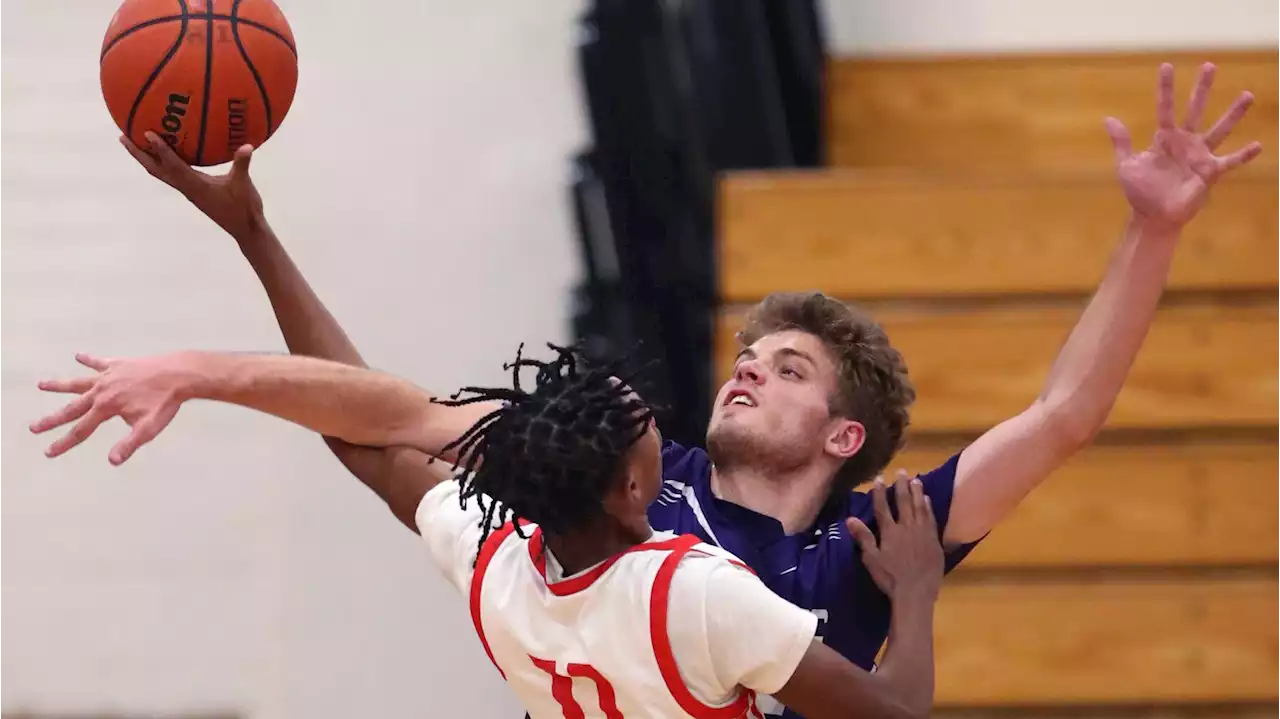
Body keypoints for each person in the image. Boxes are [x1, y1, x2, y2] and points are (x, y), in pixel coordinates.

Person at [43, 61, 1262, 718]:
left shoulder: (867, 536)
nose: (744, 365)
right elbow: (387, 417)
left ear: (846, 434)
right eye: (746, 349)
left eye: (786, 367)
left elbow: (1064, 416)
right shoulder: (635, 485)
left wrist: (1150, 231)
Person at [32, 344, 945, 719]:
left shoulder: (496, 563)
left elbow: (364, 429)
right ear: (635, 488)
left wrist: (252, 240)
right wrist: (914, 596)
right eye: (652, 439)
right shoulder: (694, 592)